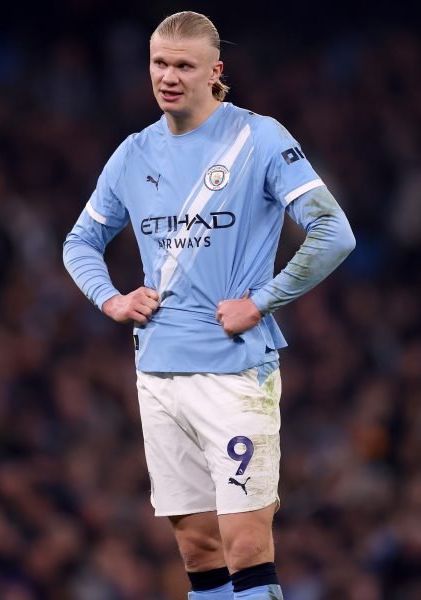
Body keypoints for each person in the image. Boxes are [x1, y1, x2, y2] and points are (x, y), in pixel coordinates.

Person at [63, 11, 354, 600]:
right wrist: (110, 299)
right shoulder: (133, 153)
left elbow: (333, 232)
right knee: (197, 548)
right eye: (159, 63)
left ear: (215, 71)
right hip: (158, 372)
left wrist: (262, 302)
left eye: (184, 66)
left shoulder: (258, 138)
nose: (168, 77)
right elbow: (80, 242)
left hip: (235, 372)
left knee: (245, 544)